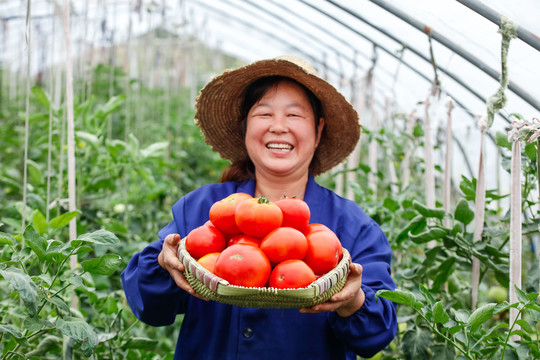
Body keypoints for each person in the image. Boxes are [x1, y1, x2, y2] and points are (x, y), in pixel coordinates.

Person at [121, 56, 397, 360]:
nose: (278, 127)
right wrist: (164, 263)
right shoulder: (203, 210)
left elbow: (377, 334)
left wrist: (353, 301)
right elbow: (149, 305)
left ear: (318, 130)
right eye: (264, 113)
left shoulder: (353, 228)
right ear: (245, 127)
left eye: (294, 115)